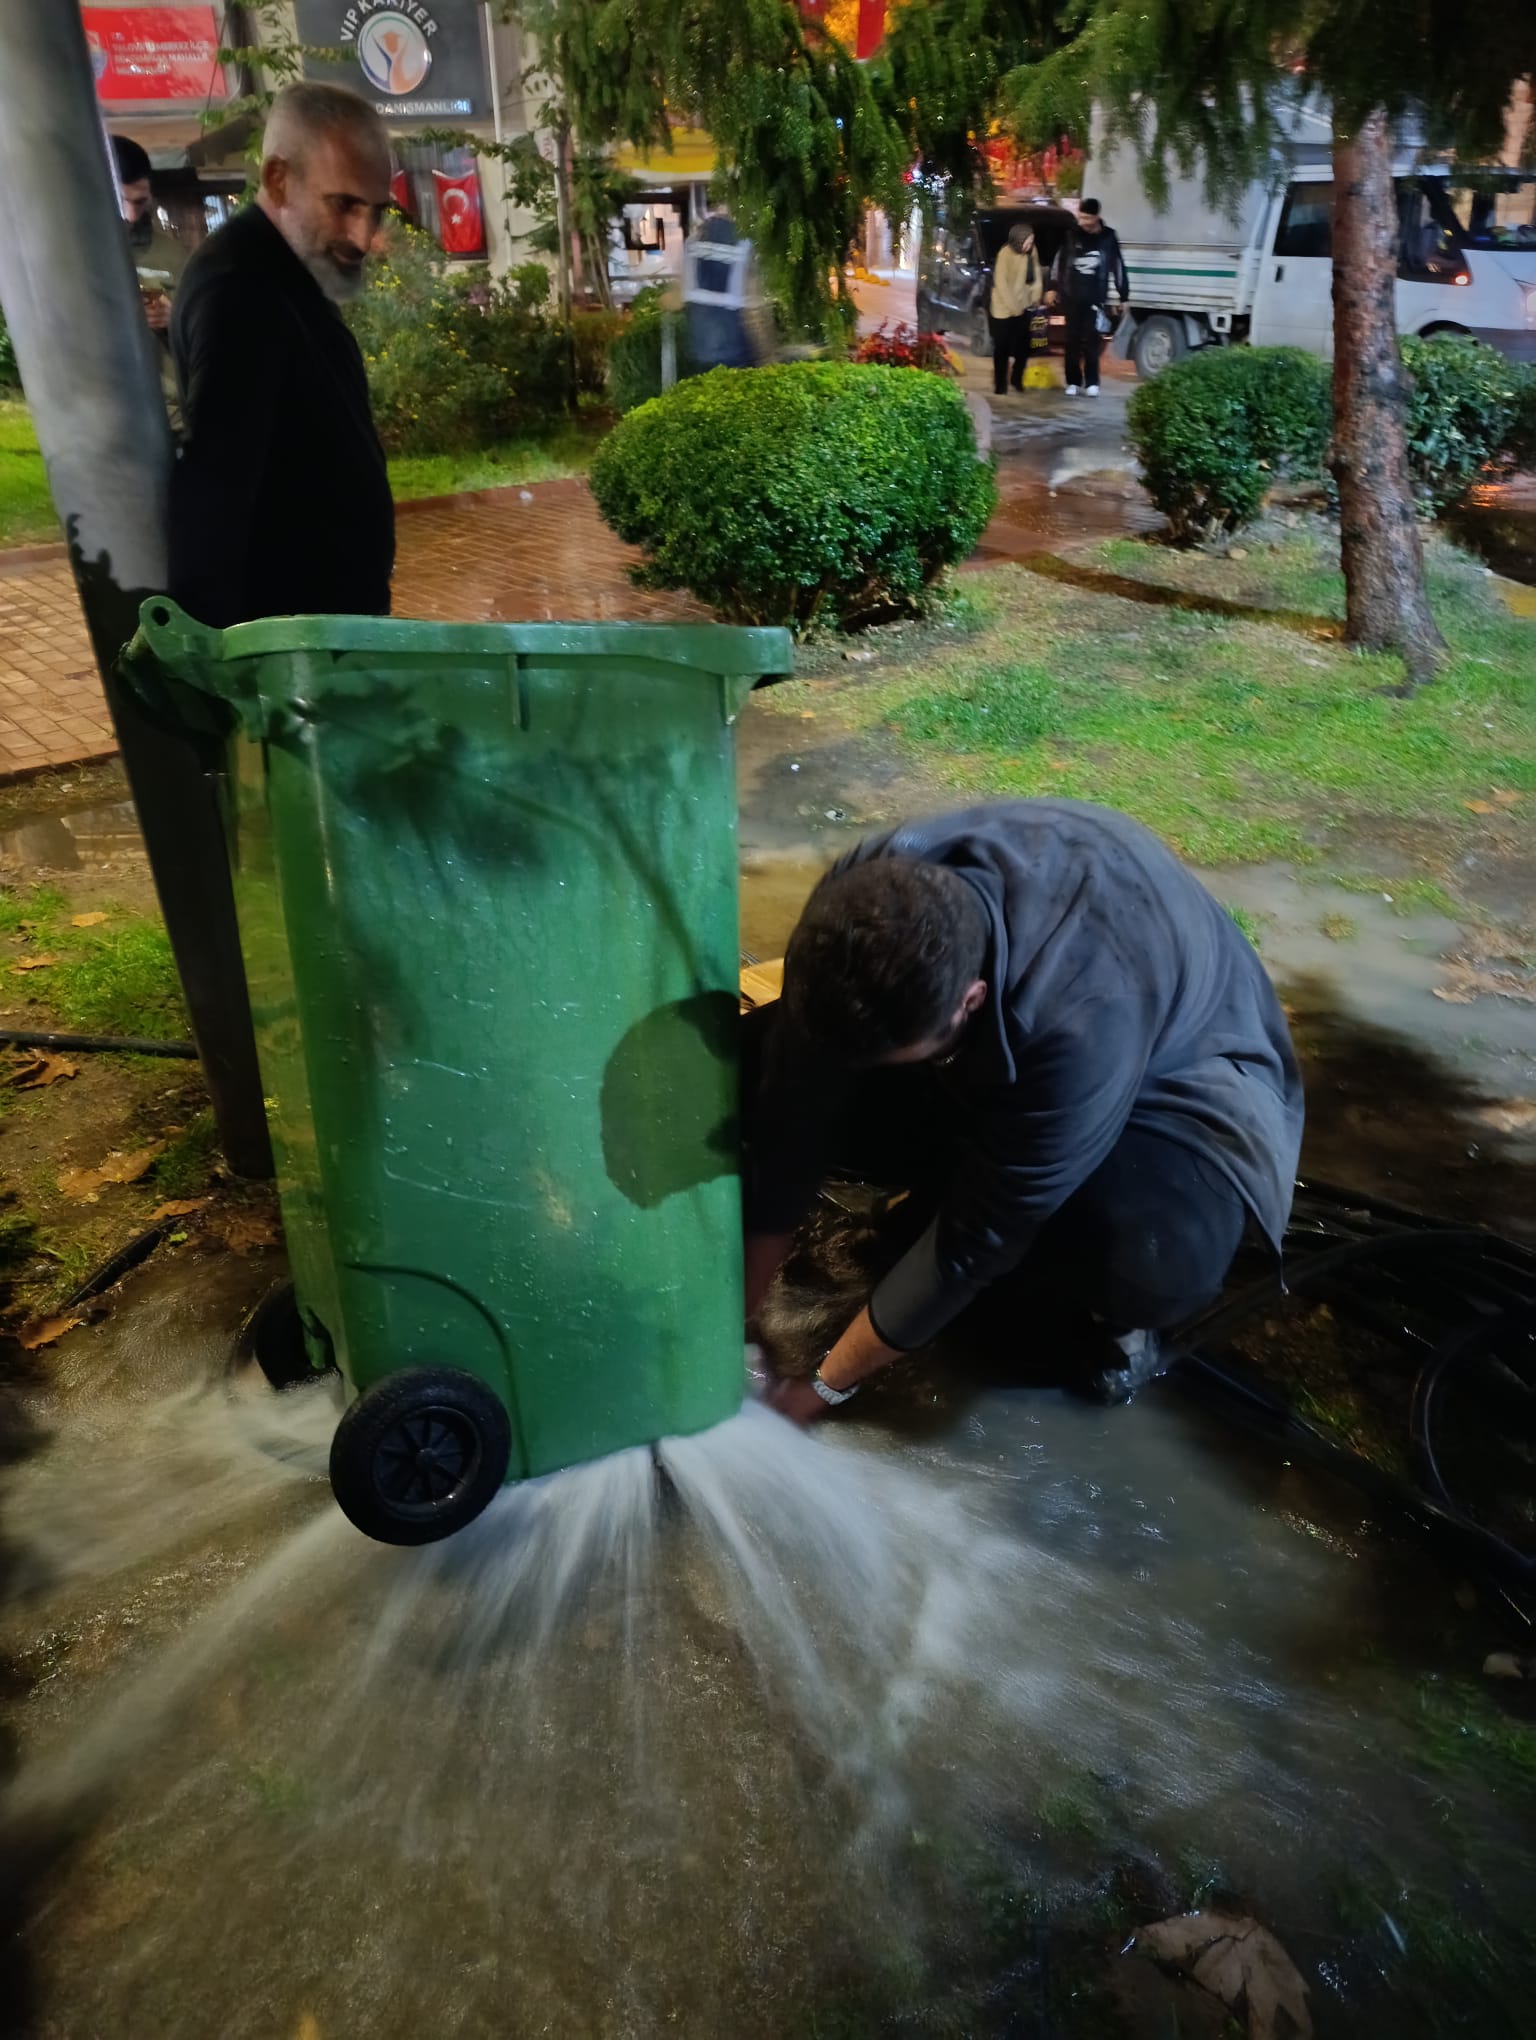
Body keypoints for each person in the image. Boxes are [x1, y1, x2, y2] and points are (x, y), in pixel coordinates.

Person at [742, 800, 1304, 1420]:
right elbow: (789, 1117)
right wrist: (743, 1317)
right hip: (1000, 1046)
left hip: (1176, 1082)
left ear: (971, 999)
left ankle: (1119, 1323)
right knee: (744, 1066)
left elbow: (973, 1243)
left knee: (1146, 1260)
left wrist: (821, 1387)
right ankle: (943, 1172)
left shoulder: (1078, 1018)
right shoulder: (854, 905)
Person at [167, 82, 395, 629]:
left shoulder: (285, 272)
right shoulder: (240, 288)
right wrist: (216, 672)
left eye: (376, 211)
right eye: (344, 205)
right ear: (278, 179)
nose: (363, 237)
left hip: (317, 638)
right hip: (285, 652)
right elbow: (216, 490)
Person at [113, 133, 188, 427]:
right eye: (122, 202)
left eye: (140, 201)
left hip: (172, 420)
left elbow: (210, 335)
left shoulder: (173, 255)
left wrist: (176, 319)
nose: (132, 215)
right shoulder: (75, 257)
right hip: (109, 419)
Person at [1047, 197, 1129, 397]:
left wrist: (1123, 295)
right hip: (1072, 296)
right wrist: (1052, 287)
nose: (1082, 222)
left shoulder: (1108, 237)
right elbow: (1059, 262)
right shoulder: (1072, 234)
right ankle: (1073, 381)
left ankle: (1092, 382)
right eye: (1080, 217)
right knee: (1072, 341)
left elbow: (1117, 265)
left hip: (1095, 297)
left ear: (1096, 217)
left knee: (1093, 342)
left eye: (1087, 218)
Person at [988, 222, 1043, 397]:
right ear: (1018, 240)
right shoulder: (1005, 254)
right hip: (1003, 308)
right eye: (1027, 241)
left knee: (1023, 348)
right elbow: (1001, 284)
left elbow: (1036, 275)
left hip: (1024, 305)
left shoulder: (1032, 252)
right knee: (1001, 348)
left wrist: (1035, 296)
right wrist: (1014, 308)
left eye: (1032, 241)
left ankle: (1017, 379)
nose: (1029, 245)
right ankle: (1000, 384)